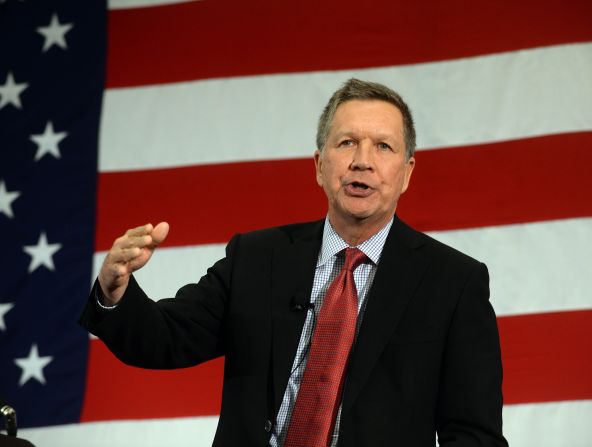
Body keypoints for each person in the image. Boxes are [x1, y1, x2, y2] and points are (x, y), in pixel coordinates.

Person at [80, 79, 508, 447]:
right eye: (346, 143)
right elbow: (166, 338)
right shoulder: (256, 258)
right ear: (320, 166)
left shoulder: (453, 283)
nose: (362, 160)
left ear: (407, 172)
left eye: (383, 146)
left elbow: (474, 434)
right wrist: (114, 293)